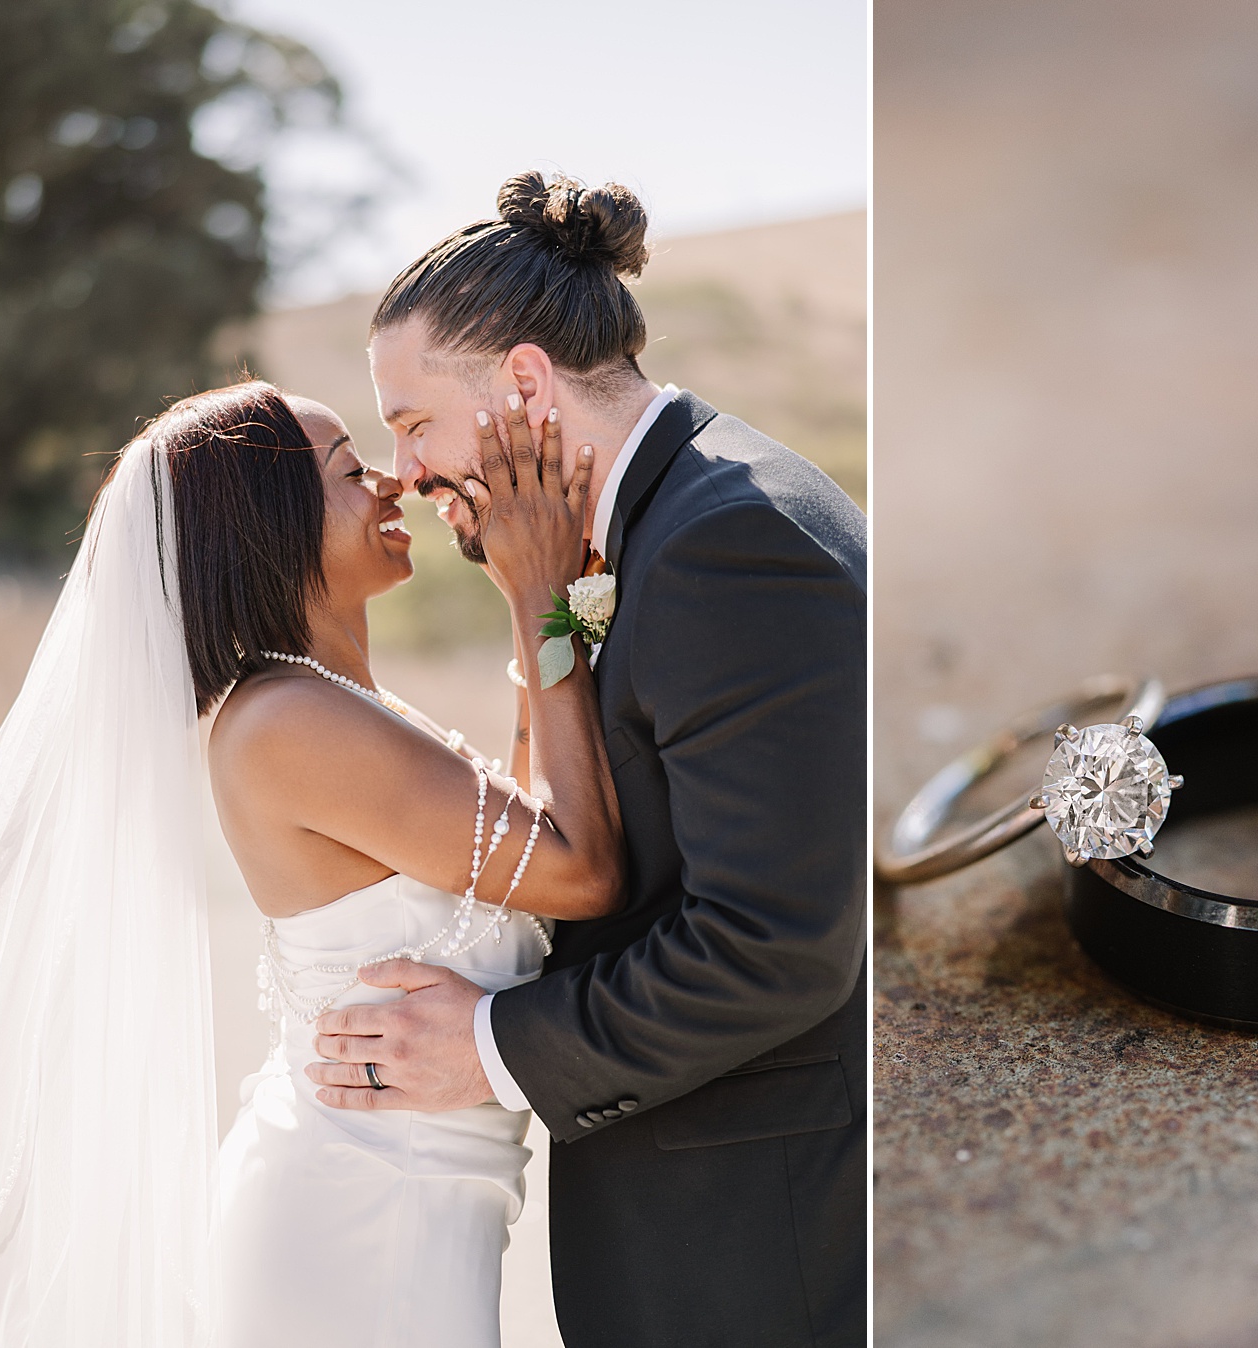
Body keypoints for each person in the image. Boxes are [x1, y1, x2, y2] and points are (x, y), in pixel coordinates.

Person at [315, 170, 868, 1346]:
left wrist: (484, 1046)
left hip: (753, 1246)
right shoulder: (668, 517)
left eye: (415, 423)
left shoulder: (731, 544)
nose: (406, 471)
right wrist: (544, 603)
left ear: (523, 382)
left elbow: (774, 945)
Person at [0, 378, 622, 1347]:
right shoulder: (286, 723)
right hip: (356, 1229)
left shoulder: (341, 703)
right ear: (268, 524)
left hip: (415, 1211)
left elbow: (520, 851)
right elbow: (580, 869)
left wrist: (535, 617)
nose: (394, 486)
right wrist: (543, 599)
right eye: (352, 472)